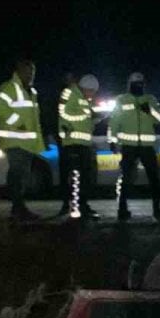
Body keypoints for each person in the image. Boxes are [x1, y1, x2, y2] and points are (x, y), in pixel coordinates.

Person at [109, 72, 160, 224]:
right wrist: (112, 141)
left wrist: (150, 110)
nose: (138, 86)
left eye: (141, 84)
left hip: (147, 146)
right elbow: (114, 121)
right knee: (126, 179)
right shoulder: (121, 100)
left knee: (154, 179)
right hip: (129, 147)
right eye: (135, 84)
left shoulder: (150, 99)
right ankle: (122, 210)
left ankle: (157, 210)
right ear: (129, 85)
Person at [0, 59, 45, 221]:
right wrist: (18, 123)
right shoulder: (9, 87)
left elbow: (34, 119)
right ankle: (18, 208)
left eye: (33, 72)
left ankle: (19, 208)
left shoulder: (31, 91)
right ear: (19, 71)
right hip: (14, 141)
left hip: (27, 142)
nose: (31, 75)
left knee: (22, 175)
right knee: (17, 174)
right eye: (28, 72)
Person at [57, 74, 102, 220]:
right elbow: (64, 113)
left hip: (83, 143)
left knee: (84, 177)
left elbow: (85, 122)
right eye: (92, 92)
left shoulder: (85, 99)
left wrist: (94, 120)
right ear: (86, 88)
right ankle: (72, 206)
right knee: (75, 177)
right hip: (72, 143)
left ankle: (80, 206)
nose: (93, 95)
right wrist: (87, 114)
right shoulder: (69, 92)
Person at [54, 72, 78, 217]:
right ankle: (65, 204)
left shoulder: (78, 95)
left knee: (76, 175)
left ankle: (77, 204)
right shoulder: (62, 95)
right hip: (65, 142)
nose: (70, 81)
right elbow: (56, 116)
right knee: (66, 174)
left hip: (77, 141)